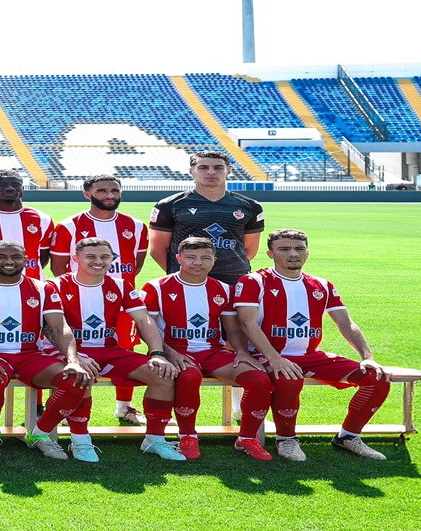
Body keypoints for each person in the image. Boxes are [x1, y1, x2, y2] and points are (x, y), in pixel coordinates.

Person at [228, 229, 391, 461]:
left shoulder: (321, 285)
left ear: (307, 253)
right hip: (266, 355)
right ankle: (286, 439)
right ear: (270, 253)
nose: (293, 254)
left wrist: (367, 357)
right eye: (284, 249)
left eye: (299, 248)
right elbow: (247, 323)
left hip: (310, 355)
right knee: (288, 377)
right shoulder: (254, 281)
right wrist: (275, 359)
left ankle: (348, 436)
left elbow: (346, 323)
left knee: (377, 378)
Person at [0, 241, 94, 462]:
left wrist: (73, 360)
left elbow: (59, 327)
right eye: (1, 256)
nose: (9, 261)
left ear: (26, 260)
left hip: (29, 355)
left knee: (76, 379)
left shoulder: (43, 289)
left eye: (15, 257)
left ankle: (39, 433)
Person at [48, 237, 186, 463]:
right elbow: (51, 328)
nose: (98, 261)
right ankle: (80, 440)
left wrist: (157, 353)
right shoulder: (54, 286)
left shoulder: (120, 285)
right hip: (67, 351)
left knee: (163, 374)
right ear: (75, 259)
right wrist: (73, 356)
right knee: (81, 375)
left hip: (109, 350)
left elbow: (143, 320)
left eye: (105, 257)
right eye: (91, 256)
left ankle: (154, 439)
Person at [139, 237, 276, 460]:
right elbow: (147, 329)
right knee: (189, 377)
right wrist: (169, 353)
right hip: (175, 351)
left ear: (214, 260)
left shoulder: (223, 289)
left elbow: (233, 329)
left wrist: (242, 352)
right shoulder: (156, 287)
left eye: (205, 258)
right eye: (191, 257)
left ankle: (247, 438)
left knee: (258, 379)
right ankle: (187, 436)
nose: (197, 262)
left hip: (213, 352)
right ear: (179, 258)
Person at [47, 174, 150, 424]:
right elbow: (58, 266)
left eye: (114, 190)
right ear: (87, 194)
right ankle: (68, 409)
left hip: (120, 301)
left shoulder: (136, 225)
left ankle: (124, 407)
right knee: (72, 352)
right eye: (102, 190)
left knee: (125, 348)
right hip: (77, 300)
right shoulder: (69, 225)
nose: (109, 195)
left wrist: (115, 289)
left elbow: (135, 264)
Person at [149, 150, 265, 285]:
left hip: (234, 280)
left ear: (229, 171)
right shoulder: (169, 205)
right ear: (191, 171)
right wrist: (183, 274)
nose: (211, 172)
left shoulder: (250, 206)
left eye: (218, 168)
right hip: (187, 283)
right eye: (203, 167)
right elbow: (157, 250)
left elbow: (249, 250)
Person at [0, 170, 57, 280]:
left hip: (30, 285)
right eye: (2, 185)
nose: (10, 188)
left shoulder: (43, 219)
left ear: (23, 188)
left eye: (16, 184)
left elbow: (43, 255)